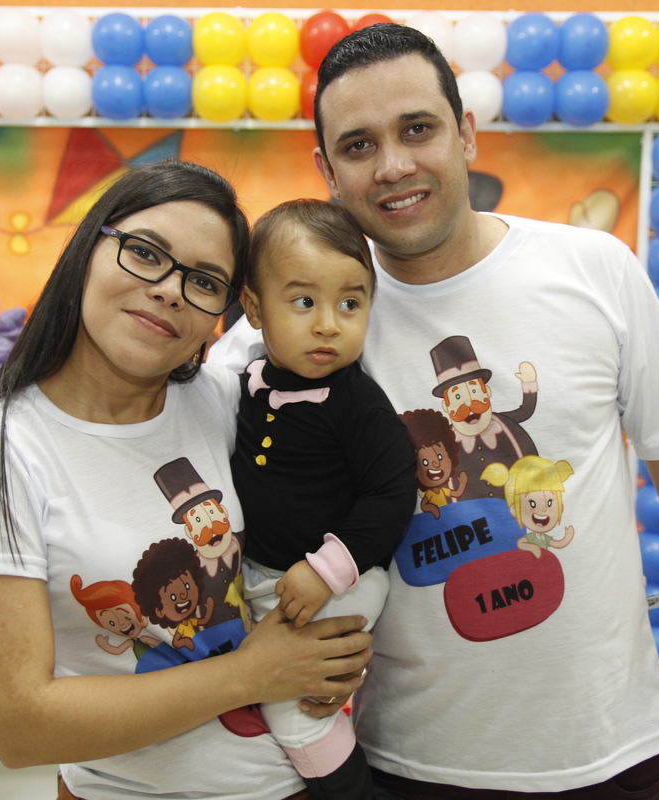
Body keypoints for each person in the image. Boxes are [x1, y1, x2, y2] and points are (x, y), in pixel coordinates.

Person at [210, 24, 659, 800]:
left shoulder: (592, 271)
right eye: (358, 145)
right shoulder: (289, 335)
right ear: (326, 170)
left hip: (610, 757)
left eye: (417, 129)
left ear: (466, 134)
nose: (393, 166)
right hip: (404, 765)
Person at [0, 160, 372, 800]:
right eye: (145, 253)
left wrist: (337, 641)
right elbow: (17, 727)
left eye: (204, 281)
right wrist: (252, 674)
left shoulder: (226, 401)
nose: (169, 290)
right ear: (88, 249)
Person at [231, 199, 417, 799]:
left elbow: (393, 492)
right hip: (271, 578)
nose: (329, 325)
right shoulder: (249, 381)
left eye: (350, 304)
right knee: (257, 688)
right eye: (304, 302)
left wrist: (326, 570)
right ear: (253, 308)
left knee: (296, 716)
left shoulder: (355, 402)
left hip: (340, 579)